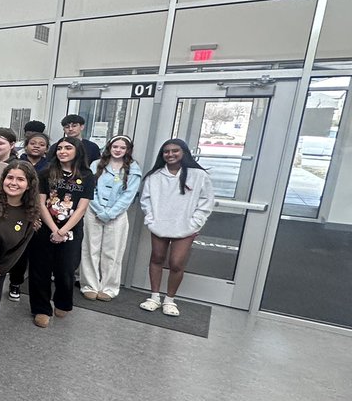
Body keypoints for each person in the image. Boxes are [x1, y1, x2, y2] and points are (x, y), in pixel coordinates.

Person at [139, 138, 216, 317]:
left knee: (176, 263)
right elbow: (146, 200)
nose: (170, 154)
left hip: (185, 227)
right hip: (159, 225)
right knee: (157, 258)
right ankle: (154, 297)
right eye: (166, 151)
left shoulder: (198, 175)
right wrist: (151, 220)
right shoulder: (155, 176)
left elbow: (206, 201)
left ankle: (170, 300)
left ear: (184, 153)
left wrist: (195, 222)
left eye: (175, 151)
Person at [28, 137, 94, 327]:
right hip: (46, 229)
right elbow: (41, 203)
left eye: (68, 148)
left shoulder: (87, 176)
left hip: (71, 231)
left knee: (65, 269)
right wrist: (54, 229)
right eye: (59, 148)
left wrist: (63, 231)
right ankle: (41, 309)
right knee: (40, 270)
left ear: (77, 151)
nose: (62, 151)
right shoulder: (45, 173)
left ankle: (63, 302)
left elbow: (82, 208)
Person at [0, 162, 41, 367]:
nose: (13, 183)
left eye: (20, 179)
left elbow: (19, 248)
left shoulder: (30, 213)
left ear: (29, 184)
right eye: (10, 178)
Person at [81, 135, 143, 302]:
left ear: (127, 150)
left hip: (117, 216)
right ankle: (89, 285)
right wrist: (99, 209)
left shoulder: (133, 169)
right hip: (93, 212)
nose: (118, 150)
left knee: (112, 252)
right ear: (109, 147)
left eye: (122, 148)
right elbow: (90, 189)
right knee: (89, 249)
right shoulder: (96, 165)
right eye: (115, 146)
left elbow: (128, 196)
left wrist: (110, 213)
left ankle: (109, 287)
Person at [9, 132, 51, 300]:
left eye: (41, 144)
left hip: (42, 214)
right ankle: (15, 282)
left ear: (47, 149)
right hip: (19, 211)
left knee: (38, 254)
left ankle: (38, 290)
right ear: (26, 145)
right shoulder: (16, 163)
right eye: (33, 143)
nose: (36, 146)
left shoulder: (50, 167)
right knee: (20, 252)